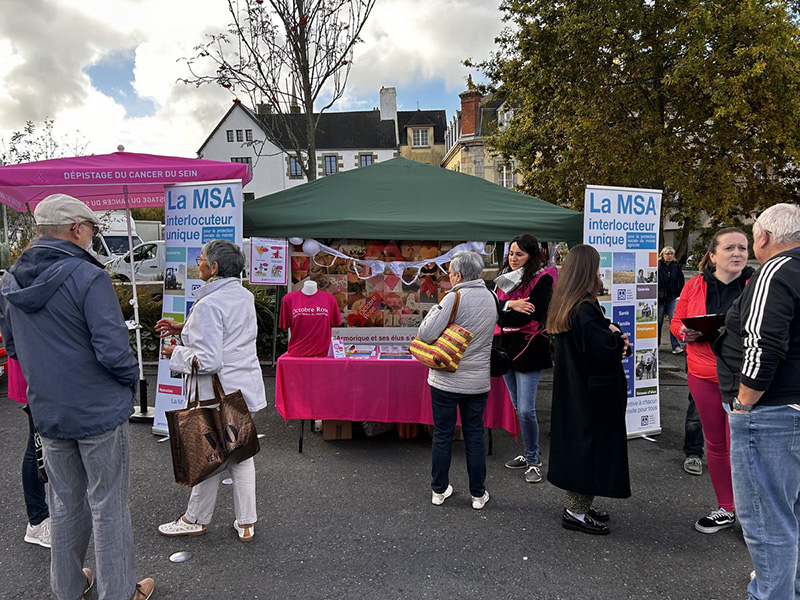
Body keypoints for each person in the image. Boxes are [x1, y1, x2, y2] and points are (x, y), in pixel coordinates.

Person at [0, 194, 154, 600]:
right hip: (98, 409)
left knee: (65, 504)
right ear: (76, 229)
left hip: (49, 410)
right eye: (90, 228)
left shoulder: (10, 281)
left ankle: (68, 588)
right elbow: (112, 348)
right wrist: (130, 378)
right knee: (109, 506)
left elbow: (13, 347)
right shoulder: (89, 277)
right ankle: (119, 592)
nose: (91, 236)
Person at [715, 203, 800, 600]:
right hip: (789, 410)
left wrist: (744, 403)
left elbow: (764, 345)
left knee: (768, 523)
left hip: (773, 413)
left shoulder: (775, 271)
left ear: (763, 237)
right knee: (790, 516)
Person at [157, 240, 267, 542]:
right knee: (238, 454)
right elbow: (229, 335)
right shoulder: (242, 296)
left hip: (217, 394)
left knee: (212, 455)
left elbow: (208, 360)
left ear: (214, 267)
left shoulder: (209, 304)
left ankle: (195, 518)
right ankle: (245, 523)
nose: (198, 263)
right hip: (243, 389)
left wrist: (175, 353)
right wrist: (185, 329)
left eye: (201, 259)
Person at [670, 227, 753, 534]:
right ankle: (726, 509)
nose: (737, 254)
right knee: (716, 445)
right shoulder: (694, 285)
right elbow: (678, 319)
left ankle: (750, 517)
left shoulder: (756, 285)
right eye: (730, 248)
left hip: (745, 377)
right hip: (703, 373)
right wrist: (682, 332)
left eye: (743, 248)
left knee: (743, 448)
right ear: (713, 254)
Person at [546, 245, 631, 535]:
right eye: (596, 267)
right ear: (587, 272)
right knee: (590, 451)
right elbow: (602, 349)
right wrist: (618, 338)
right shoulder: (583, 308)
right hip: (592, 394)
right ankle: (576, 512)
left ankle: (580, 503)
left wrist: (611, 333)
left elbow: (596, 337)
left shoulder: (567, 304)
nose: (599, 272)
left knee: (581, 448)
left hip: (577, 390)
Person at [417, 251, 497, 509]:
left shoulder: (455, 296)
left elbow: (426, 334)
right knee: (474, 436)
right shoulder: (491, 297)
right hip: (478, 382)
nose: (449, 278)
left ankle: (439, 490)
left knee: (443, 434)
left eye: (450, 273)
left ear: (458, 275)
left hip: (446, 381)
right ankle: (478, 494)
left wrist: (434, 311)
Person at [495, 234, 555, 484]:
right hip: (506, 348)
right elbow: (494, 312)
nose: (513, 258)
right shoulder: (503, 278)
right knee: (518, 407)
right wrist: (511, 306)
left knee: (528, 409)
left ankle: (533, 459)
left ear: (531, 255)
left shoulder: (544, 277)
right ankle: (529, 452)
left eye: (519, 254)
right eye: (511, 253)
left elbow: (531, 316)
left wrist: (506, 309)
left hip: (529, 348)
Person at [7, 358, 51, 548]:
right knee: (36, 446)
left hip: (43, 371)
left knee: (39, 444)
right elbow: (11, 342)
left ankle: (39, 518)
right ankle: (37, 520)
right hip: (35, 372)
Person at [658, 246, 685, 354]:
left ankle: (675, 346)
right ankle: (656, 345)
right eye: (667, 254)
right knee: (659, 321)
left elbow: (681, 281)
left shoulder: (676, 267)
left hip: (672, 297)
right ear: (662, 255)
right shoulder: (658, 266)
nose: (669, 256)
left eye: (671, 254)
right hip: (660, 297)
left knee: (673, 321)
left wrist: (678, 293)